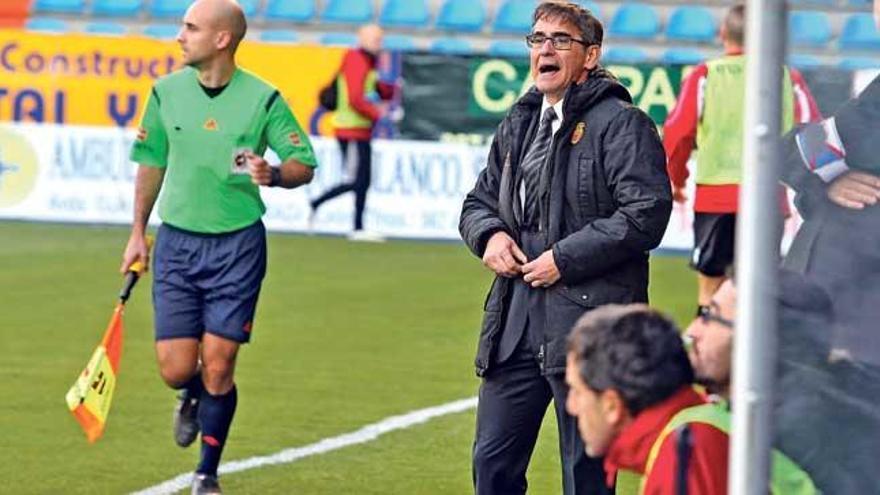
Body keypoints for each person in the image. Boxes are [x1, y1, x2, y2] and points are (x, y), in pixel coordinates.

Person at [458, 2, 671, 493]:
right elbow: (478, 201)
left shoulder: (622, 122)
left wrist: (564, 259)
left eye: (560, 40)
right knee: (491, 468)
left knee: (587, 476)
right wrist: (488, 235)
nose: (545, 49)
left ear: (590, 56)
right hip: (514, 322)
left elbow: (647, 213)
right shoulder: (519, 121)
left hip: (590, 324)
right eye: (537, 39)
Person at [120, 1, 317, 493]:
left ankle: (206, 473)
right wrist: (136, 232)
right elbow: (151, 163)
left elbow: (303, 162)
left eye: (191, 27)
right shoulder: (165, 94)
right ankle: (189, 395)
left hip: (237, 247)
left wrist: (272, 173)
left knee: (221, 361)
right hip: (177, 244)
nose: (180, 35)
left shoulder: (263, 99)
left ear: (222, 39)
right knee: (176, 368)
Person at [662, 3, 820, 314]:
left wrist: (675, 179)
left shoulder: (707, 74)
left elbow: (677, 133)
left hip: (716, 199)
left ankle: (707, 356)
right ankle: (758, 359)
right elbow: (813, 134)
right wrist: (810, 191)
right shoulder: (789, 77)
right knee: (762, 287)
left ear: (723, 34)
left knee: (711, 285)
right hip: (768, 198)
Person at [684, 273, 823, 494]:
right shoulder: (809, 417)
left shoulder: (779, 442)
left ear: (764, 338)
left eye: (711, 316)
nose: (692, 331)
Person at [564, 304, 724, 494]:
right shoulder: (696, 430)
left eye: (577, 392)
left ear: (611, 406)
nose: (571, 406)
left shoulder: (683, 454)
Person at [308, 24, 395, 242]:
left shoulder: (370, 62)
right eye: (376, 39)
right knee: (358, 179)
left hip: (361, 130)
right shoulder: (356, 60)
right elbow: (356, 98)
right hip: (351, 130)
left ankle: (354, 224)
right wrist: (378, 114)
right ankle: (331, 211)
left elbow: (381, 91)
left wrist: (384, 84)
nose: (379, 43)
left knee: (360, 180)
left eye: (380, 39)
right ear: (363, 39)